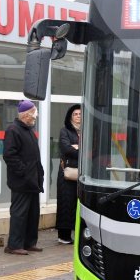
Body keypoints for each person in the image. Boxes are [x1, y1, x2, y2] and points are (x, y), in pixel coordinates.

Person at [3, 99, 44, 255]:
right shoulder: (13, 130)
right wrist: (24, 172)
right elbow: (9, 155)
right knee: (19, 214)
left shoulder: (28, 129)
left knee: (33, 213)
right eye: (34, 111)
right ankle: (14, 245)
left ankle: (28, 243)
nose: (36, 115)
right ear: (27, 114)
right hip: (21, 181)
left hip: (33, 181)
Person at [55, 104, 81, 244]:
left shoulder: (85, 131)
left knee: (78, 204)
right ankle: (63, 236)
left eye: (80, 114)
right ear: (70, 117)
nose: (78, 116)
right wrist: (79, 149)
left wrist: (77, 147)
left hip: (81, 174)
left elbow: (92, 150)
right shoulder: (65, 131)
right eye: (75, 114)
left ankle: (78, 233)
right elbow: (66, 149)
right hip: (67, 173)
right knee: (66, 203)